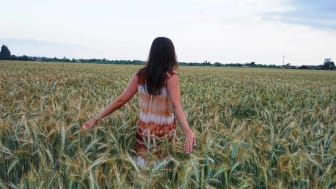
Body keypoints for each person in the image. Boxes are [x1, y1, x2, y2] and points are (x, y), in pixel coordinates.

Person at [82, 37, 196, 168]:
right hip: (163, 137)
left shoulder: (140, 75)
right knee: (160, 173)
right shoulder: (171, 77)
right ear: (170, 54)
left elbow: (121, 100)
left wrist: (96, 118)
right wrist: (188, 131)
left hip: (143, 136)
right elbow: (176, 106)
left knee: (141, 172)